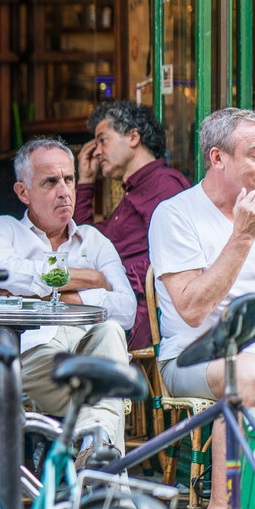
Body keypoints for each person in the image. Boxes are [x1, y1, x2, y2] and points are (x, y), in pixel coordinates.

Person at [149, 107, 255, 509]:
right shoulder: (175, 215)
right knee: (250, 373)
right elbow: (194, 310)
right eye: (254, 154)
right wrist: (241, 237)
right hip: (193, 357)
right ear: (217, 158)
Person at [0, 137, 135, 465]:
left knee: (110, 331)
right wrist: (91, 280)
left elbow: (126, 310)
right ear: (23, 192)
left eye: (69, 179)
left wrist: (44, 291)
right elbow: (3, 273)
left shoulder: (94, 240)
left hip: (85, 355)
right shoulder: (3, 230)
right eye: (50, 182)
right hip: (27, 358)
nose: (64, 191)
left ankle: (95, 453)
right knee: (108, 399)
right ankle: (106, 488)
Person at [74, 101, 190, 349]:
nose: (95, 152)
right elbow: (81, 240)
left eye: (102, 141)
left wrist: (108, 277)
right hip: (114, 306)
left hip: (136, 319)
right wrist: (85, 180)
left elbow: (174, 258)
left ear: (134, 137)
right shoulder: (133, 194)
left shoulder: (163, 185)